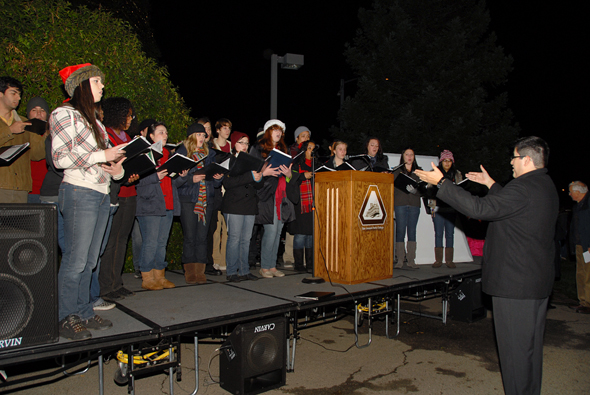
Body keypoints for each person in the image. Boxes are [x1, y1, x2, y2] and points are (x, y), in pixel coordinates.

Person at [415, 136, 558, 395]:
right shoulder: (544, 184)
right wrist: (492, 184)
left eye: (514, 158)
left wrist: (442, 184)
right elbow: (513, 206)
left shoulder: (523, 187)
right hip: (535, 283)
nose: (510, 163)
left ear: (526, 160)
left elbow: (480, 209)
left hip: (515, 285)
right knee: (529, 352)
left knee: (515, 356)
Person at [50, 63, 126, 340]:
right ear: (81, 85)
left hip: (101, 193)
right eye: (97, 81)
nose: (102, 86)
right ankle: (66, 316)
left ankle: (82, 311)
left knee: (91, 260)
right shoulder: (64, 114)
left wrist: (118, 170)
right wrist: (101, 156)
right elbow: (60, 157)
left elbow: (111, 164)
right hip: (78, 191)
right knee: (76, 259)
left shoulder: (98, 124)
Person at [135, 122, 187, 290]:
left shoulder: (168, 154)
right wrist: (154, 176)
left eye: (166, 132)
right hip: (150, 204)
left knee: (161, 242)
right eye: (160, 132)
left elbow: (174, 182)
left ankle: (160, 275)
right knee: (150, 242)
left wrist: (182, 175)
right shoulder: (144, 154)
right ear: (151, 136)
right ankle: (147, 277)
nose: (165, 135)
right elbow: (136, 180)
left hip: (168, 203)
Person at [98, 97, 138, 301]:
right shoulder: (107, 136)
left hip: (130, 192)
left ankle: (117, 282)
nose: (131, 118)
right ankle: (106, 286)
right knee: (111, 241)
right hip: (115, 193)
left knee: (122, 239)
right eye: (128, 114)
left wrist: (136, 173)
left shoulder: (128, 138)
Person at [250, 119, 299, 278]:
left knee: (278, 232)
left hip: (282, 195)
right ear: (268, 132)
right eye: (274, 130)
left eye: (280, 131)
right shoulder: (258, 149)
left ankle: (272, 266)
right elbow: (252, 172)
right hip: (266, 194)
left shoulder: (284, 150)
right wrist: (265, 173)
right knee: (270, 231)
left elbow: (290, 177)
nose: (278, 133)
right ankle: (264, 266)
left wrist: (289, 175)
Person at [177, 123, 223, 284]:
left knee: (203, 237)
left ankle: (200, 272)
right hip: (189, 200)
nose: (202, 137)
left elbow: (215, 182)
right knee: (190, 237)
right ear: (191, 136)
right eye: (199, 135)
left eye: (204, 135)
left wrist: (219, 178)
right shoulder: (182, 153)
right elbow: (175, 179)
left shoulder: (209, 154)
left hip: (206, 199)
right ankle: (190, 272)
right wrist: (191, 179)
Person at [222, 131, 264, 281]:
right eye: (241, 142)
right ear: (234, 144)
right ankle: (232, 271)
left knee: (246, 239)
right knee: (234, 238)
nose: (245, 146)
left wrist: (259, 178)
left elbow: (259, 186)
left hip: (249, 205)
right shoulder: (228, 159)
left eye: (246, 143)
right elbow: (227, 183)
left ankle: (244, 270)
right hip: (234, 204)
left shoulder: (252, 160)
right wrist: (250, 176)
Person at [0, 77, 45, 203]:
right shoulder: (17, 125)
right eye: (13, 93)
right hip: (1, 187)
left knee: (17, 223)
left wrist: (47, 134)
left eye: (19, 94)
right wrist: (9, 131)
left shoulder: (23, 122)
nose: (18, 98)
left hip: (21, 188)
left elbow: (37, 154)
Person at [428, 150, 462, 268]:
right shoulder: (436, 173)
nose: (447, 163)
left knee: (450, 234)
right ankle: (438, 260)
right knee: (438, 233)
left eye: (449, 161)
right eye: (445, 161)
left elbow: (460, 192)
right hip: (438, 208)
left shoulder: (456, 174)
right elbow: (429, 190)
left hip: (451, 208)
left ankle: (449, 260)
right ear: (441, 162)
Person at [207, 118, 232, 273]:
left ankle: (224, 260)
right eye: (224, 128)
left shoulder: (231, 145)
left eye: (229, 128)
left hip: (229, 190)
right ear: (217, 130)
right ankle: (215, 259)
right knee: (216, 228)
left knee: (227, 228)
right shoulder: (212, 145)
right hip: (217, 190)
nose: (227, 131)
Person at [392, 147, 422, 269]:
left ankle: (411, 260)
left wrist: (416, 191)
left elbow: (424, 190)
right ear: (403, 156)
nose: (409, 157)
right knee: (400, 232)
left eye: (412, 155)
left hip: (414, 205)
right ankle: (399, 260)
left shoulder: (419, 172)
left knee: (412, 232)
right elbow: (391, 190)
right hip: (400, 204)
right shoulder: (396, 171)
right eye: (407, 154)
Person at [290, 140, 316, 272]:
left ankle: (310, 264)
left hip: (313, 203)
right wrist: (302, 176)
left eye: (313, 148)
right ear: (304, 150)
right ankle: (299, 265)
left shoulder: (316, 165)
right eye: (309, 148)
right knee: (300, 234)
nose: (312, 151)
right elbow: (290, 180)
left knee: (311, 234)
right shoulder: (296, 164)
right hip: (300, 203)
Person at [568, 181, 590, 314]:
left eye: (571, 192)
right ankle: (583, 301)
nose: (569, 194)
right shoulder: (578, 206)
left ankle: (588, 303)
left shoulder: (588, 204)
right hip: (579, 245)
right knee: (581, 273)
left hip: (587, 246)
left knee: (588, 274)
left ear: (578, 192)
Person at [26, 97, 50, 204]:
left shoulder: (53, 133)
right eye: (34, 110)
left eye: (42, 111)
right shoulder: (22, 133)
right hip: (29, 191)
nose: (38, 114)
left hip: (49, 191)